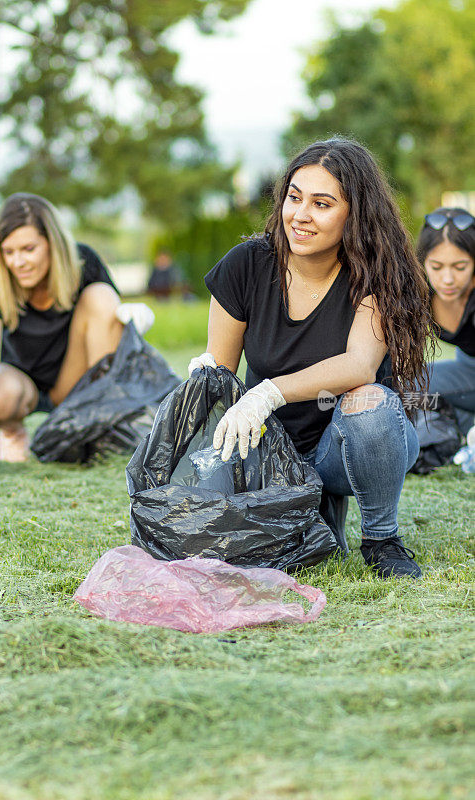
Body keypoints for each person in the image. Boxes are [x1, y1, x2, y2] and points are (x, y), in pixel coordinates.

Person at [189, 138, 434, 579]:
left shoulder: (376, 274)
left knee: (369, 401)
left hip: (349, 446)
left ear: (354, 214)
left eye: (321, 204)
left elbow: (359, 365)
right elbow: (222, 376)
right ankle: (308, 503)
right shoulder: (247, 264)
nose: (300, 215)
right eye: (294, 197)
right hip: (270, 447)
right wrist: (206, 377)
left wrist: (268, 392)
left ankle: (382, 539)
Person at [0, 193, 155, 462]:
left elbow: (108, 321)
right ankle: (12, 431)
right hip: (20, 384)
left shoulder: (83, 261)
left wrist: (129, 320)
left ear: (51, 244)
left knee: (100, 295)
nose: (18, 262)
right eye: (9, 252)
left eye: (28, 249)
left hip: (72, 381)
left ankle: (97, 425)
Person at [416, 207, 475, 440]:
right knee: (399, 386)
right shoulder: (419, 291)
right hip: (465, 366)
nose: (448, 279)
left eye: (460, 267)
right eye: (437, 267)